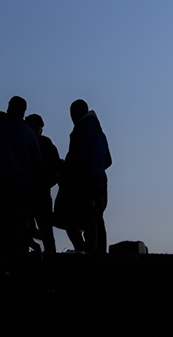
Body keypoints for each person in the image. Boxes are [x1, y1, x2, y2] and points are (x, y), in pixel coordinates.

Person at [0, 97, 41, 256]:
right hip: (22, 190)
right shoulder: (30, 135)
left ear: (9, 109)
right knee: (17, 233)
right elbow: (37, 164)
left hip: (0, 188)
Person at [56, 99, 111, 253]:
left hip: (85, 181)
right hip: (101, 180)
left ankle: (87, 253)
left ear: (75, 114)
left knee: (82, 219)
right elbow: (108, 160)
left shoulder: (80, 132)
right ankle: (100, 254)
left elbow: (77, 159)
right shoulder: (99, 133)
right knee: (97, 219)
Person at [26, 113, 61, 253]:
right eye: (33, 127)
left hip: (37, 193)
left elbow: (55, 169)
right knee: (36, 231)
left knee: (44, 231)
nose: (35, 130)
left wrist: (45, 184)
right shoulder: (44, 144)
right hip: (33, 193)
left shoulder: (45, 144)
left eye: (37, 127)